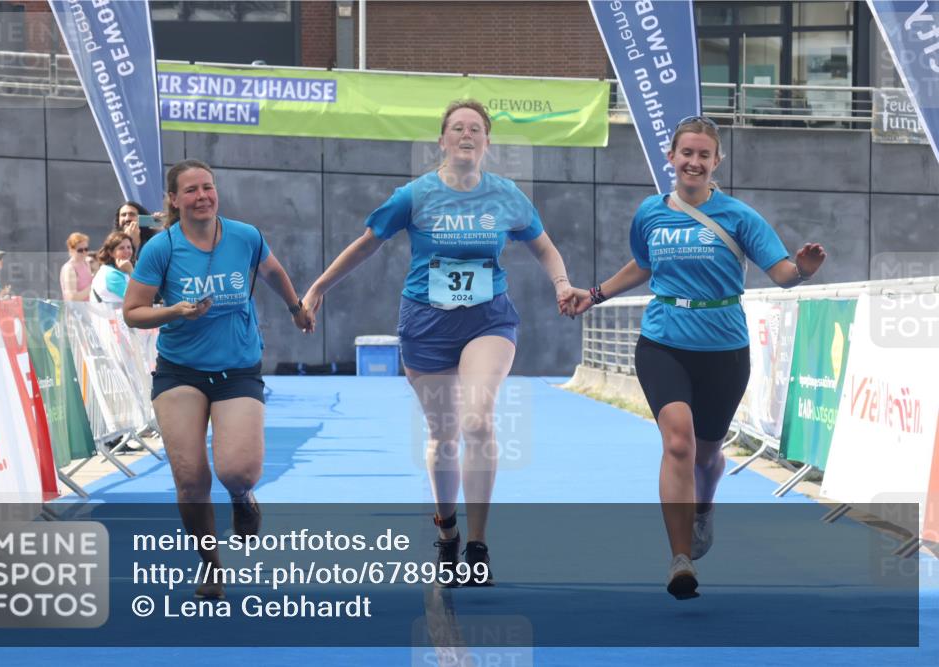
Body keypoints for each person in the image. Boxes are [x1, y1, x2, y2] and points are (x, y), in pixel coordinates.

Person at [302, 100, 576, 586]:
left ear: (487, 142)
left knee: (476, 420)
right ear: (442, 141)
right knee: (443, 433)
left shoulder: (507, 196)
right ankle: (447, 529)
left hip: (488, 321)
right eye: (457, 128)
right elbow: (368, 242)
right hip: (426, 324)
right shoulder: (415, 195)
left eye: (476, 128)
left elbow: (543, 245)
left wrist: (560, 283)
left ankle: (478, 544)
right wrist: (321, 286)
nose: (466, 134)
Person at [568, 115, 826, 600]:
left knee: (707, 453)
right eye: (686, 153)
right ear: (671, 157)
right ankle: (680, 559)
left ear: (716, 162)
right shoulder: (649, 213)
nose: (694, 162)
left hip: (724, 348)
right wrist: (595, 293)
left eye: (704, 155)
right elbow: (643, 266)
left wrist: (804, 270)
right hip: (663, 341)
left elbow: (782, 273)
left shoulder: (740, 217)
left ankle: (704, 507)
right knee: (680, 444)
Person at [123, 159, 313, 599]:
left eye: (208, 187)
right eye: (190, 190)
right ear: (174, 200)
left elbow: (273, 272)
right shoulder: (161, 249)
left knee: (238, 471)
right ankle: (210, 564)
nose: (202, 196)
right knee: (190, 480)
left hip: (237, 368)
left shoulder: (245, 236)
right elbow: (132, 312)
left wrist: (295, 307)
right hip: (180, 371)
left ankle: (242, 498)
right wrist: (175, 310)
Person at [91, 231, 135, 304]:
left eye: (129, 247)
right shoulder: (112, 275)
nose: (127, 251)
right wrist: (131, 271)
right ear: (111, 253)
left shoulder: (119, 271)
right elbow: (137, 299)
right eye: (121, 248)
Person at [59, 232, 94, 301]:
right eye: (80, 250)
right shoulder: (69, 268)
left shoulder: (86, 263)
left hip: (88, 309)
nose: (84, 252)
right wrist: (93, 286)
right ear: (72, 250)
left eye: (86, 249)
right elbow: (72, 298)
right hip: (76, 311)